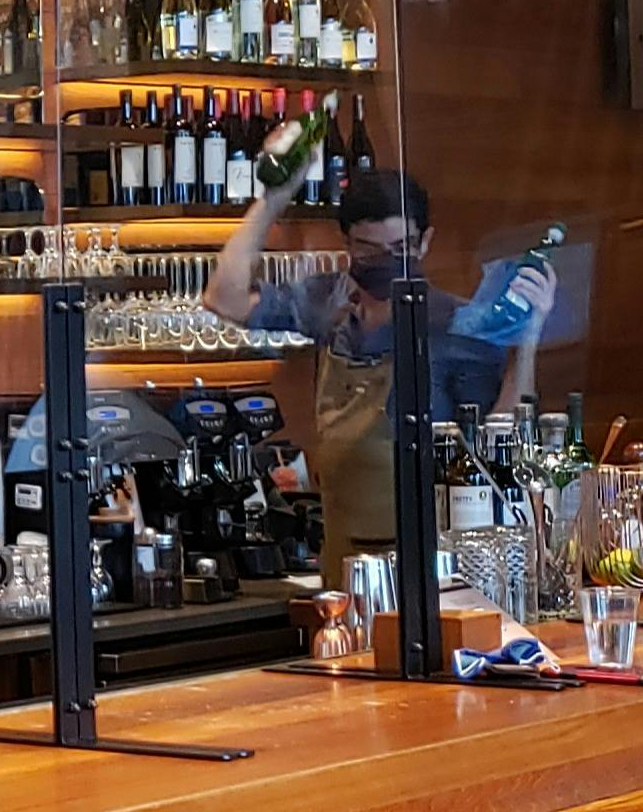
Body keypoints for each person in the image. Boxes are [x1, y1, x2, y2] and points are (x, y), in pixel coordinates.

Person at [205, 143, 548, 557]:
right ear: (346, 243)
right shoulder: (326, 302)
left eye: (401, 248)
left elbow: (502, 438)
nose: (387, 261)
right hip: (340, 555)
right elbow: (223, 298)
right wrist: (273, 200)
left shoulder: (455, 326)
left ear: (425, 243)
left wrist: (528, 338)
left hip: (425, 561)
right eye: (369, 249)